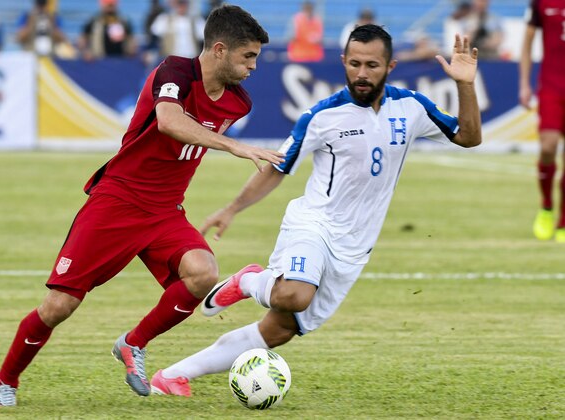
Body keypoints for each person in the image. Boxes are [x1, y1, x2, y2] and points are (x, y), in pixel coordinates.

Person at [149, 24, 482, 397]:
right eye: (354, 63)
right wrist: (232, 209)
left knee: (280, 329)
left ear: (390, 66)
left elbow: (468, 137)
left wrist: (465, 84)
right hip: (314, 224)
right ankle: (247, 281)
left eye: (372, 65)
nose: (361, 73)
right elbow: (278, 166)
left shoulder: (412, 107)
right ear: (343, 61)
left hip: (355, 246)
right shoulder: (323, 115)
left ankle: (172, 375)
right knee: (293, 295)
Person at [0, 4, 281, 407]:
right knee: (59, 305)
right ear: (218, 49)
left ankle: (133, 343)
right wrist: (233, 146)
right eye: (248, 56)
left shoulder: (237, 102)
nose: (253, 67)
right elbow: (169, 122)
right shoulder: (174, 72)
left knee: (201, 273)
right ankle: (4, 381)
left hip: (164, 211)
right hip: (118, 201)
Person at [519, 0, 565, 242]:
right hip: (552, 88)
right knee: (548, 147)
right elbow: (527, 43)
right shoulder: (541, 2)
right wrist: (524, 84)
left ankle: (564, 221)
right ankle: (546, 206)